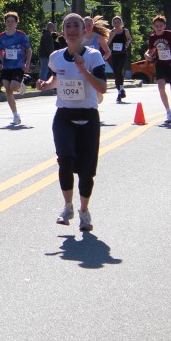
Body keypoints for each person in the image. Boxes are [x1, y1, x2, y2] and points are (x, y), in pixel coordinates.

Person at [36, 12, 108, 232]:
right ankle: (67, 207)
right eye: (68, 26)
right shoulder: (56, 57)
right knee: (65, 160)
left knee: (86, 171)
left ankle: (84, 211)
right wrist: (46, 84)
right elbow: (56, 78)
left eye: (76, 25)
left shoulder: (94, 56)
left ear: (84, 31)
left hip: (88, 117)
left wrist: (83, 69)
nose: (72, 30)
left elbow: (102, 87)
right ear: (63, 32)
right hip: (64, 116)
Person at [0, 12, 32, 126]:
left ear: (16, 23)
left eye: (12, 21)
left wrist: (27, 64)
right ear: (5, 23)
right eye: (8, 21)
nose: (10, 23)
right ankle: (15, 115)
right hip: (6, 66)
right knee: (8, 90)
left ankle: (21, 83)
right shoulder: (1, 37)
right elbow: (0, 51)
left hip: (18, 66)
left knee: (13, 86)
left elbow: (29, 50)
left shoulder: (21, 36)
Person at [144, 14, 171, 124]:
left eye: (161, 25)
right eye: (157, 26)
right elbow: (151, 50)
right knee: (161, 86)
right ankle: (169, 112)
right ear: (153, 27)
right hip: (160, 64)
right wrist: (146, 54)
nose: (159, 28)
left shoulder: (169, 34)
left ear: (164, 26)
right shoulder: (152, 37)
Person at [107, 16, 132, 102]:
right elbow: (107, 43)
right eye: (115, 23)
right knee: (116, 74)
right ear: (113, 24)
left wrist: (128, 43)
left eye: (118, 22)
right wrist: (112, 36)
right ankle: (120, 92)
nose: (117, 24)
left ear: (121, 23)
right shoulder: (111, 32)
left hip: (122, 54)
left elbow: (129, 39)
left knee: (119, 70)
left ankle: (121, 89)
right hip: (114, 55)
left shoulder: (125, 31)